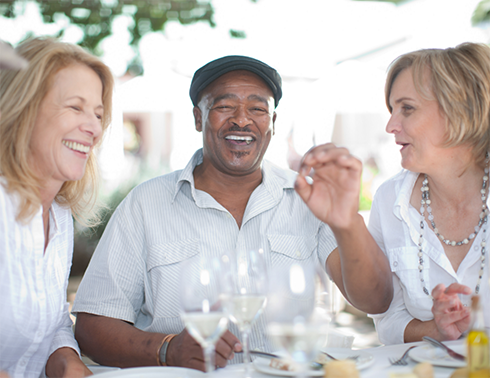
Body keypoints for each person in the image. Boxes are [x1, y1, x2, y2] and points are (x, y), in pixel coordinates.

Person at [73, 55, 392, 371]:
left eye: (258, 108)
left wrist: (347, 221)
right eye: (225, 106)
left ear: (273, 123)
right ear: (198, 118)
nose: (242, 119)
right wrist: (166, 349)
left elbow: (375, 301)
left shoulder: (309, 198)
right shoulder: (145, 204)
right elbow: (91, 328)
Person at [0, 36, 114, 378]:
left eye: (97, 113)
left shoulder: (60, 217)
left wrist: (66, 358)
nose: (94, 128)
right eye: (75, 107)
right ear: (23, 107)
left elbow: (50, 324)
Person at [365, 42, 490, 345]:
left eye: (407, 108)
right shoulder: (388, 199)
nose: (391, 125)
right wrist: (437, 330)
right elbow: (389, 320)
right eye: (392, 109)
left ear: (460, 110)